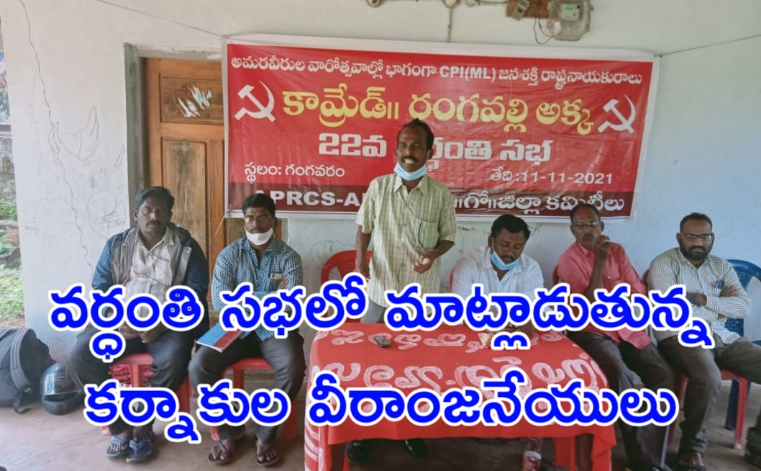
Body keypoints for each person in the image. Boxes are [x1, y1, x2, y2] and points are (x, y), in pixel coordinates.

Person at [68, 186, 209, 463]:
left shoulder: (187, 247)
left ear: (169, 214)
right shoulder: (117, 244)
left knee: (174, 358)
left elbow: (196, 291)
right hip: (119, 321)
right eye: (147, 210)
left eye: (160, 211)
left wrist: (163, 324)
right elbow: (100, 288)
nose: (153, 216)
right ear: (136, 213)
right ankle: (120, 428)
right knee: (80, 358)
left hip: (166, 324)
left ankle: (143, 427)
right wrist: (115, 317)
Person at [350, 118, 457, 463]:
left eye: (417, 146)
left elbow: (448, 236)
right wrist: (360, 261)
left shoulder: (440, 194)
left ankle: (410, 429)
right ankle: (364, 431)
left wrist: (434, 253)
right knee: (369, 363)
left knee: (415, 365)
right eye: (404, 146)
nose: (409, 152)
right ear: (395, 151)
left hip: (420, 297)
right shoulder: (379, 187)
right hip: (380, 291)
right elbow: (364, 227)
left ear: (430, 152)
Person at [189, 193, 305, 467]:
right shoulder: (229, 254)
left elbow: (292, 303)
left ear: (273, 220)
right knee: (198, 366)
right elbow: (220, 301)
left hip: (275, 328)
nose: (255, 224)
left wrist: (244, 298)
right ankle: (230, 431)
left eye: (262, 217)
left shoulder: (289, 256)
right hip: (234, 327)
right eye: (250, 217)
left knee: (294, 366)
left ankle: (265, 434)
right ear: (244, 220)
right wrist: (271, 296)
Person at [557, 203, 675, 471]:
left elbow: (637, 291)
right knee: (621, 376)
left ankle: (652, 452)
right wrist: (599, 262)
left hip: (626, 329)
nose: (588, 230)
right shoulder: (569, 259)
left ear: (602, 226)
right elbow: (588, 304)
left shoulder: (618, 251)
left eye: (592, 224)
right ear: (572, 230)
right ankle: (643, 460)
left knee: (663, 374)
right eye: (581, 225)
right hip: (591, 332)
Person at [649, 213, 756, 471]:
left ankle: (758, 446)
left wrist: (703, 299)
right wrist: (720, 309)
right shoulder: (664, 264)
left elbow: (744, 307)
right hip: (678, 335)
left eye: (704, 236)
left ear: (712, 237)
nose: (698, 242)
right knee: (708, 377)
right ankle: (692, 448)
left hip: (722, 337)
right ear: (679, 237)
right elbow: (673, 311)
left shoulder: (721, 266)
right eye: (691, 236)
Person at [451, 213, 542, 335]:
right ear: (491, 241)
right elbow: (460, 309)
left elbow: (537, 306)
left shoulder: (531, 268)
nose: (510, 253)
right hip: (474, 333)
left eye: (517, 247)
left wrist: (532, 321)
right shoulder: (468, 264)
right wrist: (493, 325)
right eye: (504, 245)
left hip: (516, 334)